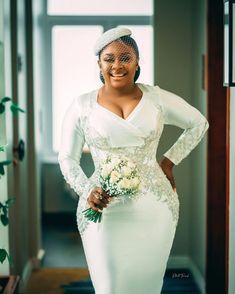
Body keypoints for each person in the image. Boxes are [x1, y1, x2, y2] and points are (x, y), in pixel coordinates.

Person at [58, 27, 209, 294]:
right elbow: (67, 158)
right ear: (99, 64)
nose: (117, 65)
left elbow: (198, 123)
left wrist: (168, 162)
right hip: (103, 207)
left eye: (125, 57)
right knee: (109, 287)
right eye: (109, 58)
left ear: (138, 61)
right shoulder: (82, 106)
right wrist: (87, 191)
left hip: (155, 207)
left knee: (148, 285)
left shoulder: (157, 99)